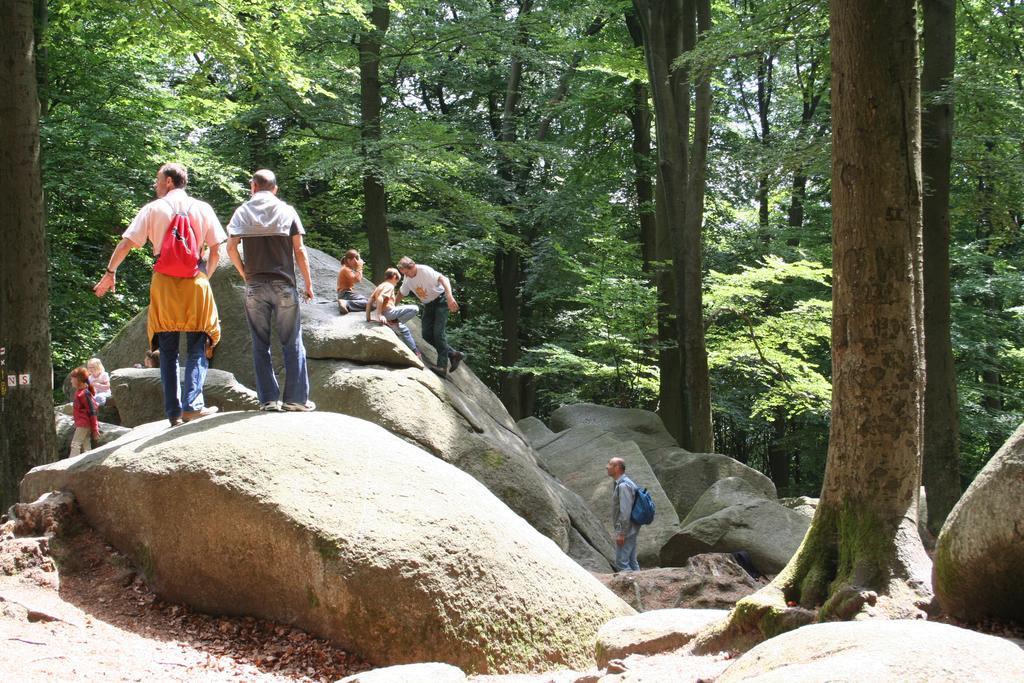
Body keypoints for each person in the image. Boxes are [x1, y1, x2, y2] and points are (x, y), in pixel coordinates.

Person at [93, 163, 225, 427]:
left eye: (157, 180)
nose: (155, 184)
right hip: (195, 281)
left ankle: (173, 412)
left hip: (164, 283)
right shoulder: (203, 208)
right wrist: (203, 278)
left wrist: (110, 272)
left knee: (168, 351)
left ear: (168, 182)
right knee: (198, 346)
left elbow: (126, 243)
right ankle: (193, 405)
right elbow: (216, 250)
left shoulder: (153, 209)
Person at [226, 169, 316, 413]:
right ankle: (296, 400)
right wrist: (308, 284)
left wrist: (245, 273)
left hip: (255, 286)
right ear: (275, 189)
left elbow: (231, 247)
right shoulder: (287, 210)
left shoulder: (242, 212)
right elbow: (299, 251)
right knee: (292, 342)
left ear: (253, 186)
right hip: (284, 285)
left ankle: (268, 400)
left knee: (259, 344)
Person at [396, 256, 464, 376]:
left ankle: (442, 367)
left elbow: (444, 279)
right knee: (426, 334)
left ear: (413, 266)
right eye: (404, 273)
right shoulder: (407, 279)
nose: (406, 275)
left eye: (407, 272)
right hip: (429, 305)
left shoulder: (424, 271)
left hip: (441, 301)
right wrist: (392, 306)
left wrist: (449, 296)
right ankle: (453, 354)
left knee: (438, 333)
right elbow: (402, 292)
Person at [367, 268, 428, 366]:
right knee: (415, 308)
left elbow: (370, 301)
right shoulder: (389, 286)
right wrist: (379, 315)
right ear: (394, 277)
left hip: (387, 313)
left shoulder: (380, 286)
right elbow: (380, 298)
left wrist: (368, 317)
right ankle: (393, 322)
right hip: (388, 313)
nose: (397, 283)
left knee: (404, 329)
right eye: (397, 281)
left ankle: (415, 351)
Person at [607, 457, 641, 572]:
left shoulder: (623, 486)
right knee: (632, 561)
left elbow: (625, 511)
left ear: (617, 468)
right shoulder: (624, 483)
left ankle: (633, 587)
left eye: (610, 464)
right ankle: (641, 586)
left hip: (627, 529)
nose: (607, 467)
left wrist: (621, 533)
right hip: (631, 527)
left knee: (621, 563)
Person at [69, 367, 100, 456]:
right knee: (86, 444)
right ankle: (89, 460)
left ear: (78, 380)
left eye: (72, 379)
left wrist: (95, 428)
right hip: (81, 423)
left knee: (75, 444)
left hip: (84, 424)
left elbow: (92, 411)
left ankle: (71, 463)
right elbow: (80, 410)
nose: (71, 381)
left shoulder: (85, 393)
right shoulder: (79, 392)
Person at [336, 249, 369, 314]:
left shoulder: (346, 268)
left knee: (369, 302)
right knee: (370, 303)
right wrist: (359, 267)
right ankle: (346, 304)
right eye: (356, 259)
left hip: (344, 294)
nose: (357, 261)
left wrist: (358, 267)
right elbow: (356, 280)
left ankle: (346, 304)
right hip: (345, 294)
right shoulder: (346, 269)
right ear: (349, 260)